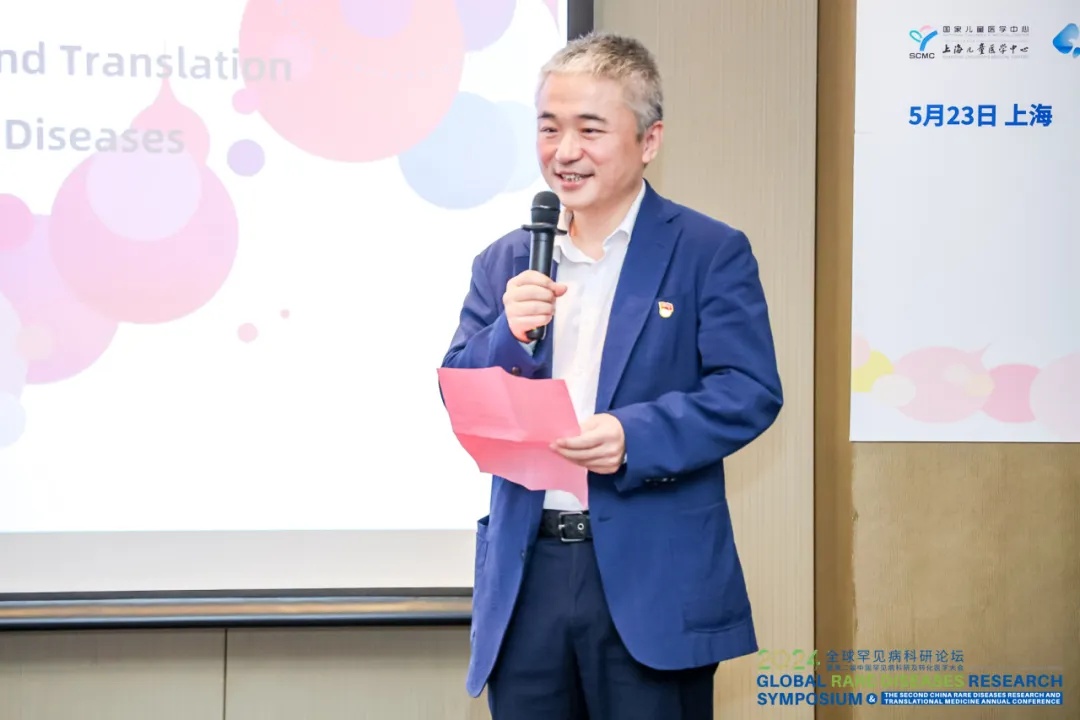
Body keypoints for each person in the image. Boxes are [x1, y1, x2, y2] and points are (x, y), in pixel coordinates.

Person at [440, 31, 783, 720]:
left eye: (589, 129)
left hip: (654, 577)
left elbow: (748, 390)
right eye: (549, 128)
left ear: (649, 140)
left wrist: (634, 436)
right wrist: (506, 334)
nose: (564, 151)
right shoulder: (506, 261)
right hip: (529, 575)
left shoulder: (708, 251)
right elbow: (460, 394)